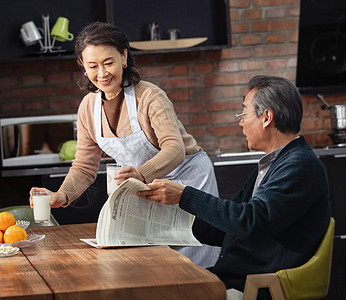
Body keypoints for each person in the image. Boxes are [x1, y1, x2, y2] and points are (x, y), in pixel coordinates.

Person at [29, 21, 220, 267]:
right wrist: (62, 195)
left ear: (124, 57)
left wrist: (140, 173)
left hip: (187, 180)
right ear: (83, 68)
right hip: (145, 188)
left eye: (108, 62)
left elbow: (175, 149)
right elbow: (85, 166)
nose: (102, 73)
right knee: (154, 264)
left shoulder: (150, 97)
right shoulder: (88, 108)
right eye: (93, 66)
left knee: (192, 265)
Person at [138, 75, 331, 298]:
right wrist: (159, 229)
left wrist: (184, 196)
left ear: (266, 117)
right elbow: (228, 227)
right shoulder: (275, 163)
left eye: (244, 112)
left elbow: (249, 222)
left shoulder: (300, 166)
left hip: (259, 286)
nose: (240, 121)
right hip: (235, 278)